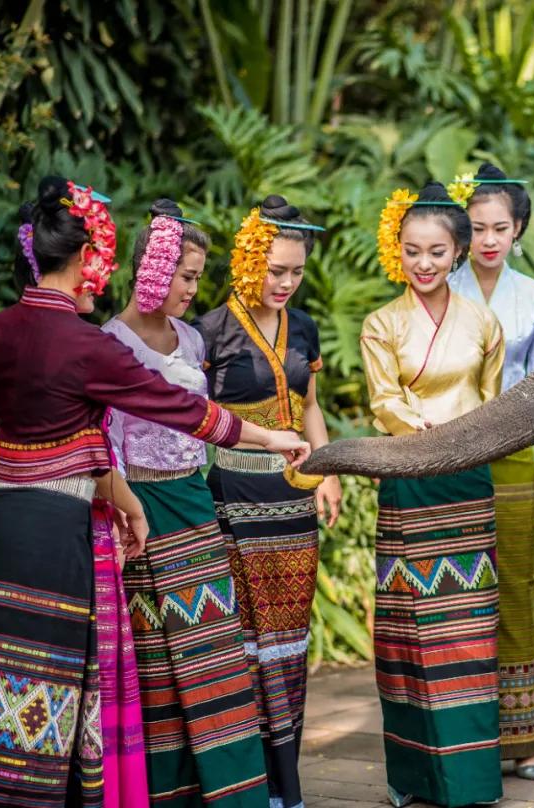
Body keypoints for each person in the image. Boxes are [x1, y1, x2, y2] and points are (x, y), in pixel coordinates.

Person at [0, 177, 308, 808]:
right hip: (57, 534)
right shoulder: (89, 344)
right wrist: (269, 438)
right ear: (85, 261)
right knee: (52, 691)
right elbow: (178, 409)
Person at [102, 200, 272, 807]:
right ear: (152, 271)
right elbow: (108, 446)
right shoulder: (110, 344)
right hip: (140, 508)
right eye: (187, 276)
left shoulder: (193, 337)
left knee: (213, 651)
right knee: (156, 653)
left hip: (195, 501)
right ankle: (165, 791)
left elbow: (201, 423)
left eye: (199, 277)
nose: (194, 290)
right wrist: (124, 515)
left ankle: (234, 792)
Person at [361, 181, 505, 808]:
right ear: (399, 251)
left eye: (438, 252)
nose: (425, 264)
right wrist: (421, 434)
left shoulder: (483, 320)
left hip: (468, 481)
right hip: (409, 475)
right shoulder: (380, 323)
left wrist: (467, 441)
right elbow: (383, 400)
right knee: (408, 631)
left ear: (458, 252)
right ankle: (413, 778)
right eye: (413, 251)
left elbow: (495, 402)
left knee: (470, 629)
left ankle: (472, 780)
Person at [195, 195, 340, 808]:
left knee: (288, 643)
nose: (284, 282)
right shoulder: (209, 330)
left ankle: (286, 783)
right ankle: (245, 783)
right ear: (249, 260)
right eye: (275, 269)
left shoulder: (303, 327)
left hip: (293, 505)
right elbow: (191, 418)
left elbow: (309, 405)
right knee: (243, 644)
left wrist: (328, 469)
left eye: (296, 271)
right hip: (234, 500)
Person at [448, 163, 534, 779]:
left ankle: (520, 740)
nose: (487, 239)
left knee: (514, 588)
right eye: (476, 227)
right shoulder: (436, 287)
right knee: (451, 594)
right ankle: (455, 735)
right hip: (447, 452)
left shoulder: (533, 298)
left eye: (499, 228)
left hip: (510, 455)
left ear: (519, 229)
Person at [18, 198, 152, 808]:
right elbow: (90, 451)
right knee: (85, 666)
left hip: (23, 520)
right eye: (100, 255)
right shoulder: (79, 342)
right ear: (79, 260)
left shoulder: (5, 333)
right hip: (74, 525)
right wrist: (133, 505)